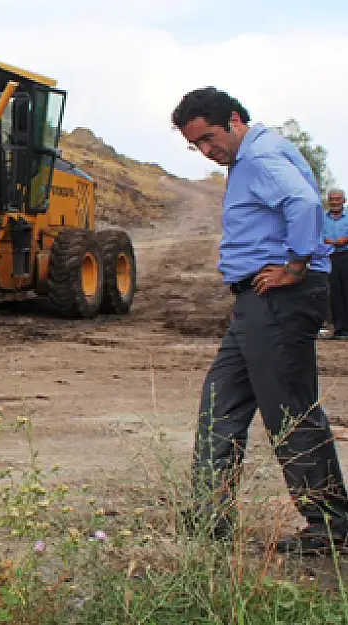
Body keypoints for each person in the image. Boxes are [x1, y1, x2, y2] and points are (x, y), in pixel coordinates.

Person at [173, 86, 348, 555]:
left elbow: (305, 205)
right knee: (221, 403)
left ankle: (331, 526)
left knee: (289, 411)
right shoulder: (252, 156)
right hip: (257, 301)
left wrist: (295, 265)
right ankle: (210, 516)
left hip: (279, 299)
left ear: (233, 119)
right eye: (197, 146)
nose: (208, 152)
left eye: (210, 139)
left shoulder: (260, 156)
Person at [323, 188, 348, 338]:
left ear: (344, 200)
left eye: (337, 199)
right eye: (332, 199)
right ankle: (339, 329)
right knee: (335, 293)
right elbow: (318, 234)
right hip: (329, 257)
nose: (334, 202)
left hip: (346, 256)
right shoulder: (323, 218)